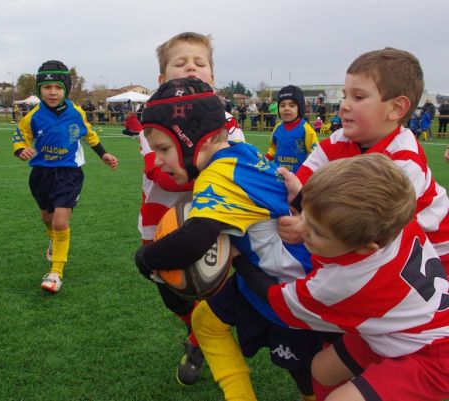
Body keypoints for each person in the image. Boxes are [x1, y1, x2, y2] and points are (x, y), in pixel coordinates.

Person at [136, 78, 320, 401]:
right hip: (264, 274)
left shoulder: (217, 176)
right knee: (206, 320)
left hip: (288, 286)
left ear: (192, 138)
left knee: (309, 377)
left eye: (164, 149)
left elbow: (194, 240)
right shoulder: (242, 152)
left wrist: (147, 260)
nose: (160, 160)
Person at [234, 154, 449, 401]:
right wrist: (305, 198)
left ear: (366, 248)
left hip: (432, 357)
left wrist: (238, 259)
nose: (301, 227)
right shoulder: (392, 221)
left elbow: (278, 302)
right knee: (322, 369)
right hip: (398, 330)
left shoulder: (344, 283)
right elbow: (344, 217)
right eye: (306, 217)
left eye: (317, 231)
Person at [278, 47, 449, 274]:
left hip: (433, 259)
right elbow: (299, 182)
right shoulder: (340, 138)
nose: (345, 105)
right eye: (344, 95)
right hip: (383, 248)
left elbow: (359, 227)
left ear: (396, 108)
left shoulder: (404, 163)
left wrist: (306, 226)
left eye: (358, 97)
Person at [137, 31, 245, 386]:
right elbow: (164, 176)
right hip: (159, 225)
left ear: (213, 79)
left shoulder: (228, 126)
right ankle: (195, 326)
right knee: (172, 292)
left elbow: (235, 172)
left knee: (211, 285)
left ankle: (201, 341)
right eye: (180, 64)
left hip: (209, 227)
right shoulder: (153, 121)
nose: (191, 69)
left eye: (200, 64)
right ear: (162, 79)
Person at [12, 60, 118, 293]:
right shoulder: (33, 116)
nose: (53, 92)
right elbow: (20, 136)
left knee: (61, 220)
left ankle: (56, 272)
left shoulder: (76, 112)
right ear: (39, 89)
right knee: (47, 218)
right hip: (41, 174)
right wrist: (22, 150)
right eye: (47, 87)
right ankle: (53, 238)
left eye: (58, 87)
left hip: (69, 173)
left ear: (65, 89)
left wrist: (104, 154)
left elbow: (89, 135)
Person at [265, 85, 319, 173]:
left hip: (298, 178)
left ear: (300, 108)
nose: (286, 108)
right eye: (282, 105)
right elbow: (273, 149)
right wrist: (265, 159)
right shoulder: (277, 128)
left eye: (292, 105)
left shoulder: (306, 129)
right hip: (278, 175)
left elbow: (316, 154)